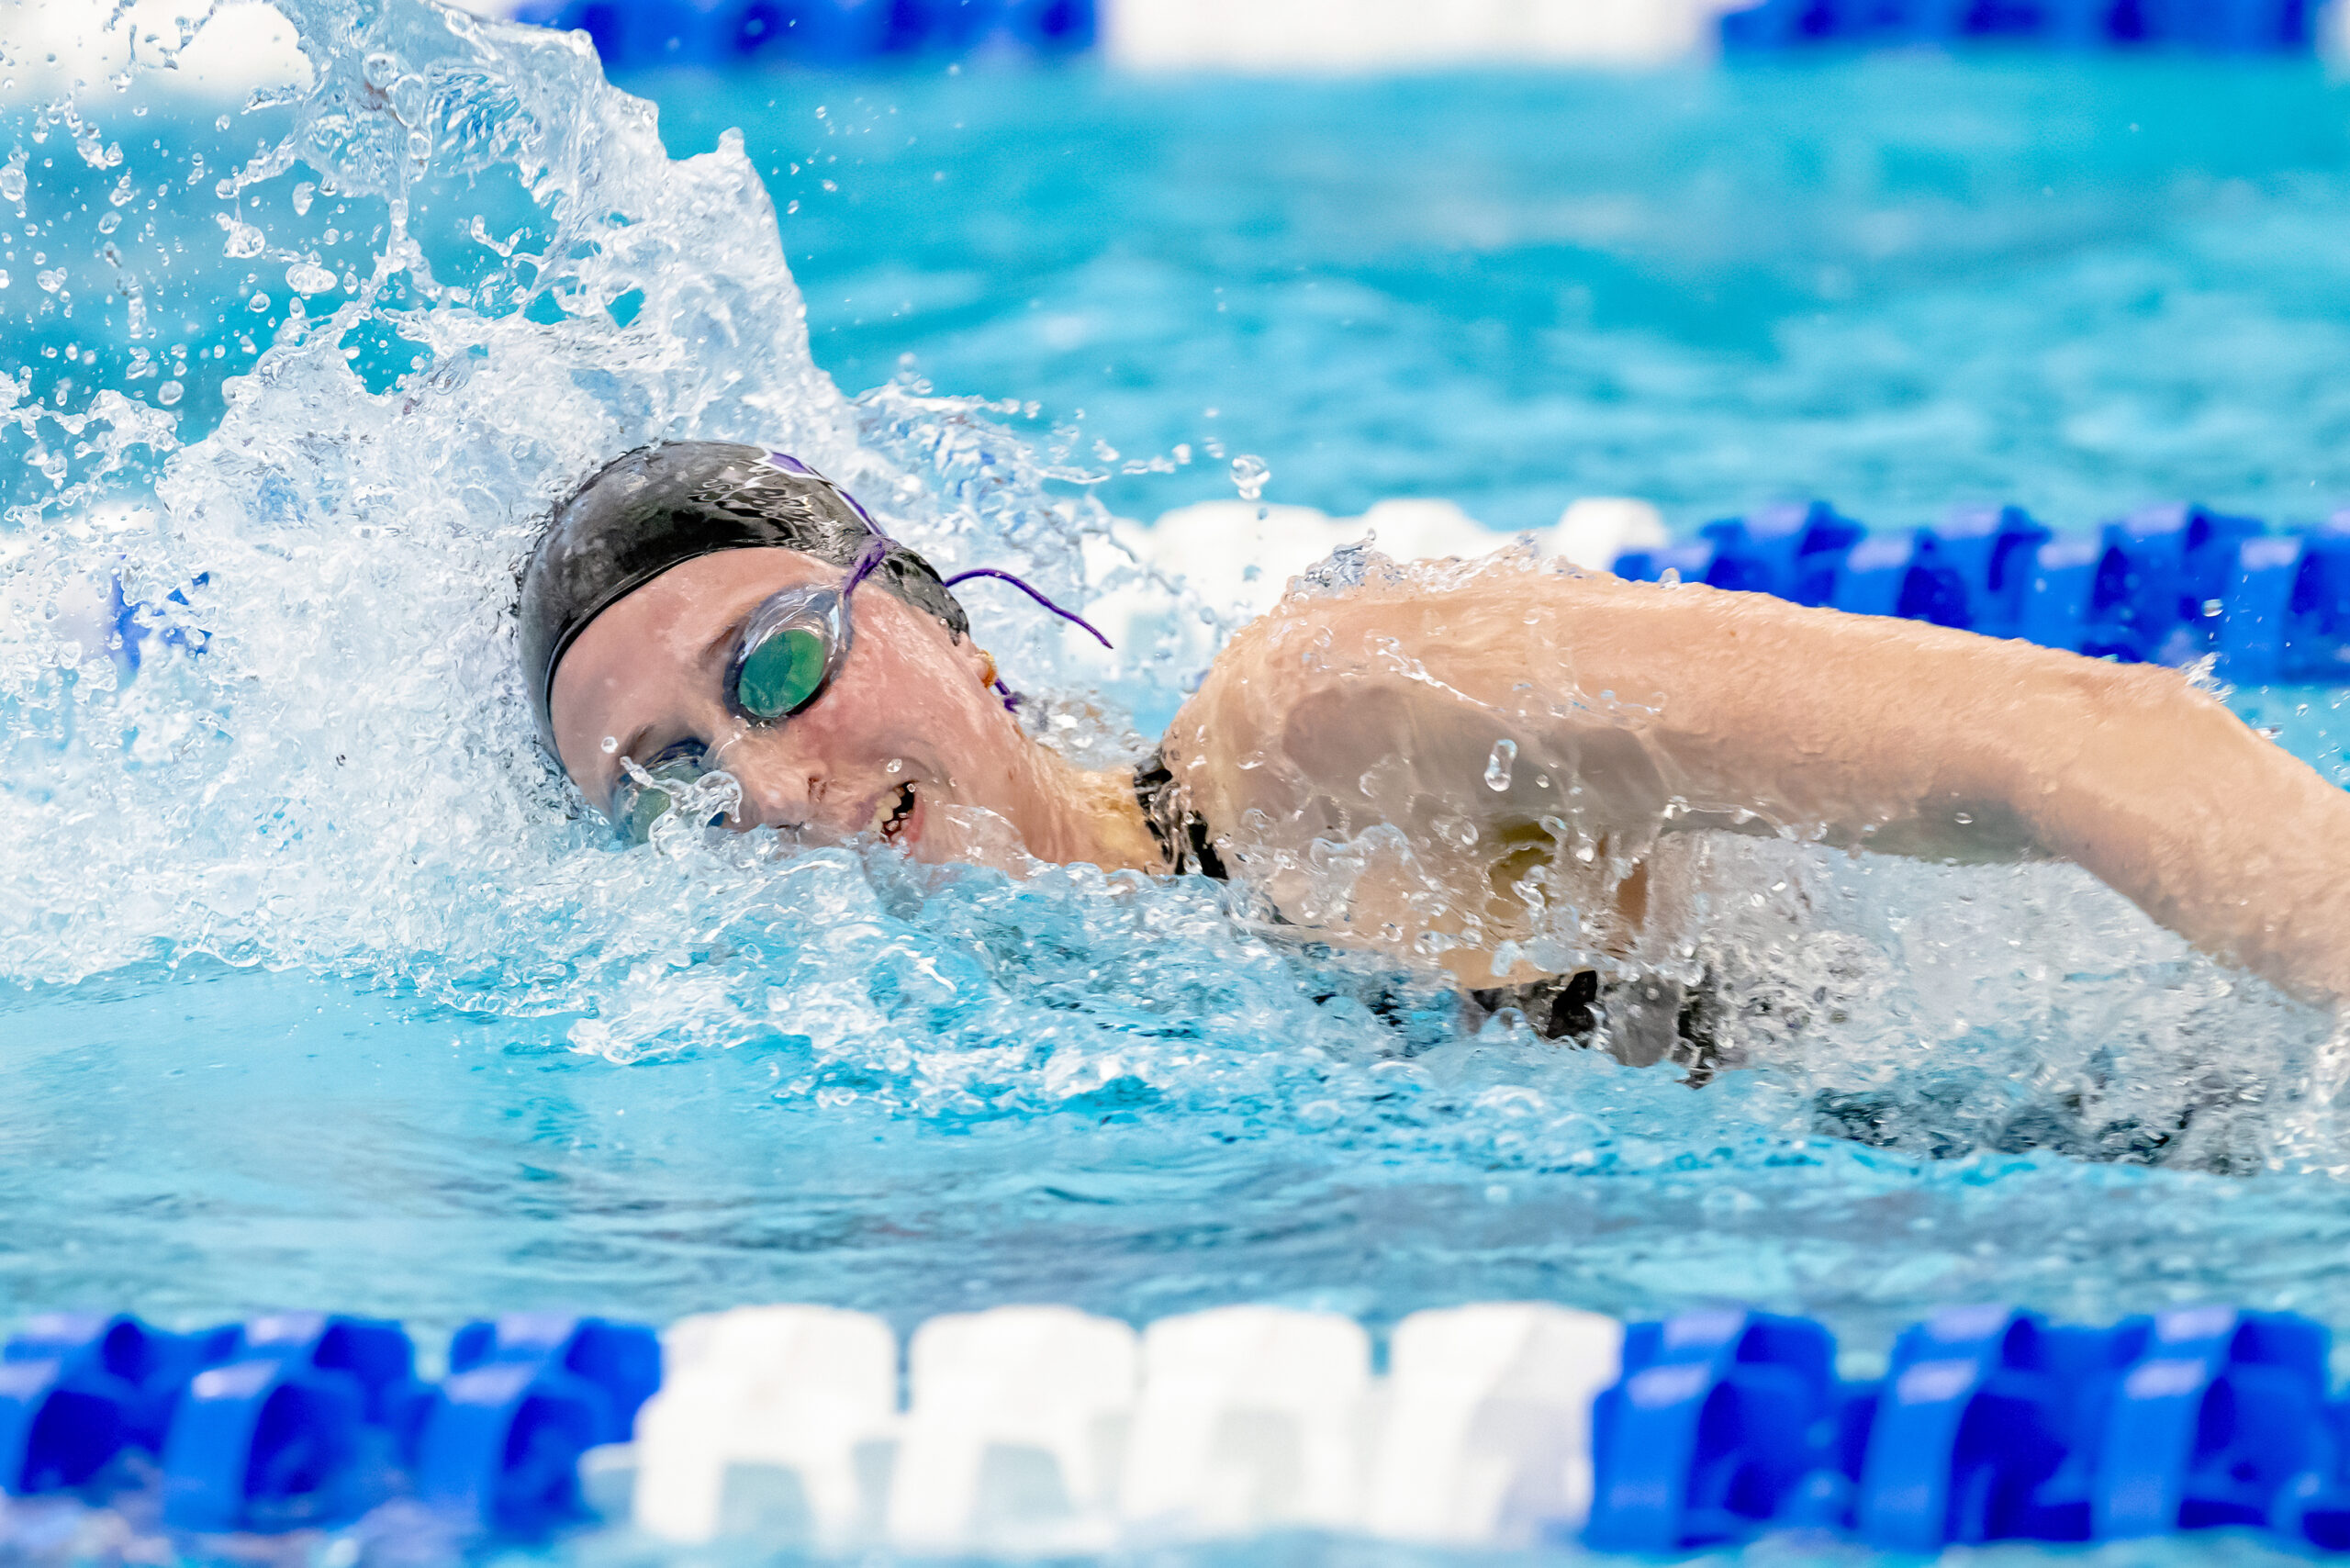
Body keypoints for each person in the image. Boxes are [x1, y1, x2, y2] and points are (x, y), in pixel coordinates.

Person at [521, 441, 2350, 1057]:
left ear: (944, 626)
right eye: (667, 782)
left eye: (769, 672)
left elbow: (2076, 732)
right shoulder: (980, 1044)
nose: (761, 789)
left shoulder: (1347, 713)